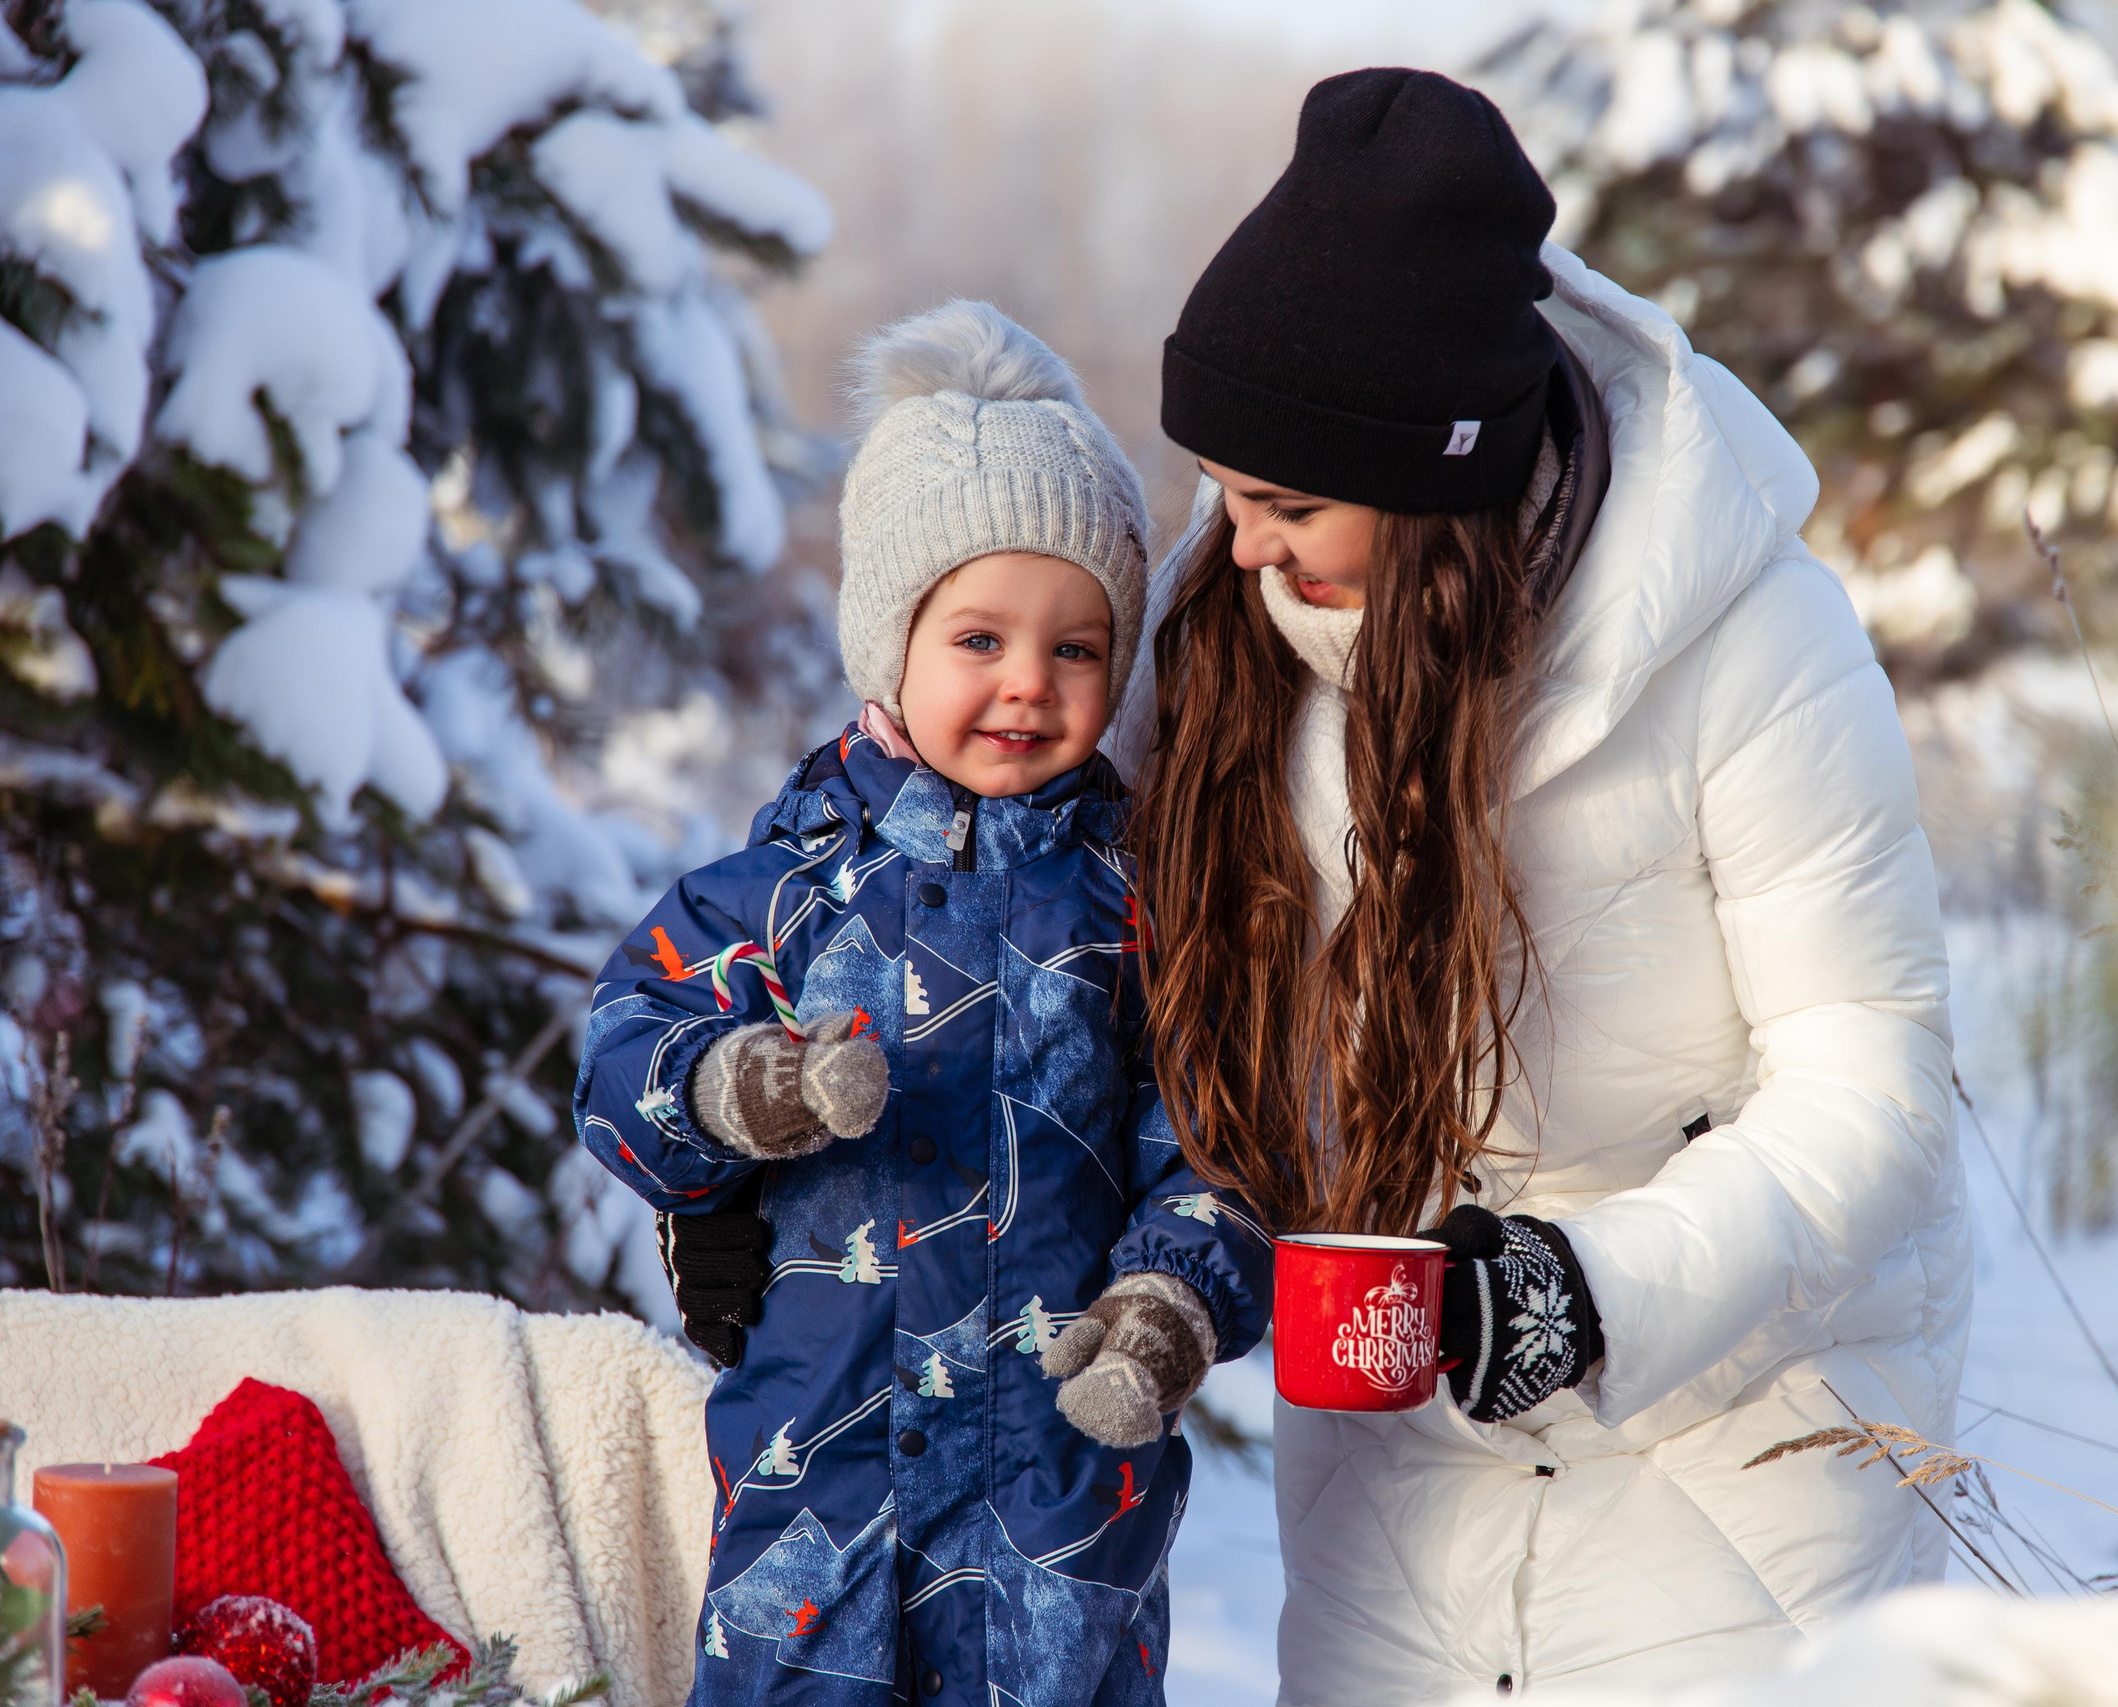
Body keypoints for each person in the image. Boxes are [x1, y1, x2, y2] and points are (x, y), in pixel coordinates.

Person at [1118, 68, 1971, 1699]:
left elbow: (1875, 1080)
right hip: (1394, 1478)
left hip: (1738, 1460)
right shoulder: (1227, 664)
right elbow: (1037, 949)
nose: (1235, 548)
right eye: (1223, 494)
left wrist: (1588, 1292)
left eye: (1288, 504)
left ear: (1435, 483)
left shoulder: (1748, 643)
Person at [577, 301, 1275, 1707]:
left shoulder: (1142, 905)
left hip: (1059, 1510)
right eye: (980, 638)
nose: (1029, 682)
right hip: (816, 1508)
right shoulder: (782, 891)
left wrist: (1169, 1306)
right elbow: (620, 1066)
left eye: (1080, 649)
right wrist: (740, 1088)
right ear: (887, 639)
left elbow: (1218, 1140)